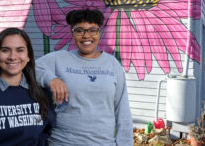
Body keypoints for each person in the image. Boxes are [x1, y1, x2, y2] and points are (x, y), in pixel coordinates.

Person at [36, 9, 133, 146]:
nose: (86, 36)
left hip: (103, 143)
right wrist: (51, 78)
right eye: (79, 30)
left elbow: (122, 111)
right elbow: (31, 68)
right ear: (72, 33)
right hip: (63, 141)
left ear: (100, 32)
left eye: (93, 30)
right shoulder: (60, 59)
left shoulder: (112, 64)